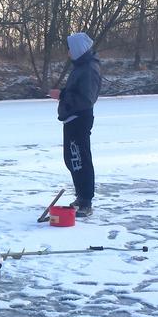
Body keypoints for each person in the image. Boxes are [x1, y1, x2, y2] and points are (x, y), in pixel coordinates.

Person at [49, 32, 102, 217]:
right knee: (72, 159)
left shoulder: (89, 69)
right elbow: (77, 92)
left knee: (80, 160)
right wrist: (63, 94)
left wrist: (62, 95)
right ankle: (81, 196)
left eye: (70, 49)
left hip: (80, 120)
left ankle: (86, 201)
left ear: (78, 50)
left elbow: (86, 99)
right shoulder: (81, 66)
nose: (68, 53)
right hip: (72, 119)